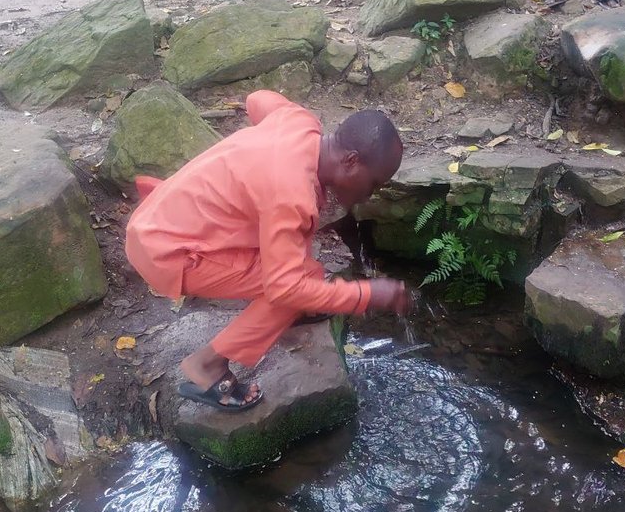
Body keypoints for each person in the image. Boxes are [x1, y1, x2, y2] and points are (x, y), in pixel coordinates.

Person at [125, 90, 411, 412]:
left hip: (159, 219)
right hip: (167, 251)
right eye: (373, 184)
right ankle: (206, 366)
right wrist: (365, 294)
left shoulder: (299, 122)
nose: (370, 194)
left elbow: (256, 99)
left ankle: (295, 308)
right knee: (296, 286)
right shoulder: (291, 193)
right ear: (351, 161)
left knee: (308, 276)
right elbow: (284, 286)